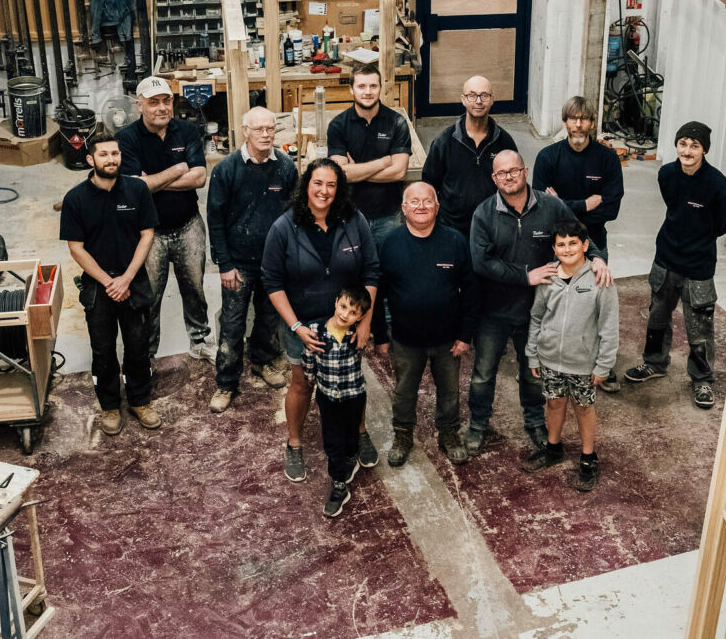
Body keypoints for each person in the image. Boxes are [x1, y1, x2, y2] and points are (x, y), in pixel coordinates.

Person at [468, 150, 611, 456]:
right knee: (482, 374)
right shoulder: (483, 213)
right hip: (493, 311)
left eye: (514, 170)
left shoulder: (551, 207)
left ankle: (535, 424)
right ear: (494, 178)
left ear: (525, 170)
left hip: (538, 311)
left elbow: (580, 234)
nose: (509, 176)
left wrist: (597, 258)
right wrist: (524, 276)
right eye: (502, 173)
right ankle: (478, 426)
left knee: (532, 373)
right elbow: (481, 262)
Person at [262, 158, 381, 482]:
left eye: (331, 184)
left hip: (347, 324)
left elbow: (371, 270)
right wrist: (297, 327)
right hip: (303, 325)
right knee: (302, 383)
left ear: (339, 189)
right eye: (318, 183)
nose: (324, 191)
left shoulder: (354, 221)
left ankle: (359, 433)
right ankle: (295, 443)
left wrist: (365, 321)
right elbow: (272, 282)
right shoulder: (284, 227)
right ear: (306, 186)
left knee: (351, 383)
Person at [623, 121, 726, 410]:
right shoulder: (667, 174)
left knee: (699, 327)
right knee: (657, 318)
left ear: (704, 151)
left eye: (694, 146)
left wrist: (697, 236)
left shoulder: (720, 186)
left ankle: (702, 379)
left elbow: (725, 223)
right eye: (683, 144)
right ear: (676, 146)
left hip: (698, 267)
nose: (687, 151)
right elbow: (673, 205)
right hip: (666, 259)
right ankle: (655, 363)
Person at [60, 135, 161, 435]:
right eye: (104, 154)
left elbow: (147, 235)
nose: (111, 159)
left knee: (138, 345)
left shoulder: (137, 189)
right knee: (103, 350)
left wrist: (127, 278)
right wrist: (110, 282)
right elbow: (76, 248)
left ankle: (141, 401)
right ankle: (110, 407)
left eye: (115, 153)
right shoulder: (75, 199)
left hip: (133, 281)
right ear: (91, 160)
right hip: (98, 285)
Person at [375, 182, 476, 468]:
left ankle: (448, 434)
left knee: (450, 391)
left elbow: (470, 292)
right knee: (404, 391)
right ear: (404, 208)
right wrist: (381, 336)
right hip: (405, 340)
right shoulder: (389, 244)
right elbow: (377, 293)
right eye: (414, 201)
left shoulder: (455, 241)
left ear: (437, 206)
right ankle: (403, 435)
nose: (421, 206)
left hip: (448, 340)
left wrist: (465, 335)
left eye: (427, 201)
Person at [206, 107, 298, 413]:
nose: (266, 134)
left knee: (269, 318)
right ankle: (226, 382)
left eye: (271, 129)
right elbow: (215, 220)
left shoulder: (286, 168)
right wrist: (224, 265)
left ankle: (261, 362)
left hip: (273, 263)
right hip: (239, 264)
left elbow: (295, 215)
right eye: (259, 129)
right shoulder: (227, 170)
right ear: (245, 131)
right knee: (232, 325)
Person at [532, 95, 624, 392]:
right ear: (565, 121)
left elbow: (611, 209)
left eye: (584, 118)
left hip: (595, 244)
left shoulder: (607, 159)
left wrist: (562, 203)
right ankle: (548, 357)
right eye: (573, 118)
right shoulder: (548, 157)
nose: (579, 124)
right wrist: (584, 204)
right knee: (553, 306)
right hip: (556, 247)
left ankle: (601, 365)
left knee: (597, 309)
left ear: (592, 123)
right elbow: (541, 206)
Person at [118, 75, 212, 362]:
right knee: (150, 295)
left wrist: (153, 180)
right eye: (154, 102)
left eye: (166, 101)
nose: (162, 108)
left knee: (195, 288)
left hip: (188, 224)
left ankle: (200, 341)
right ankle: (146, 354)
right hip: (150, 232)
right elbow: (137, 187)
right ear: (140, 106)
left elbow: (199, 178)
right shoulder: (127, 138)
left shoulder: (187, 130)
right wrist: (177, 169)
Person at [523, 220, 618, 492]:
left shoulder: (601, 280)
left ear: (585, 245)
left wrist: (604, 365)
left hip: (583, 363)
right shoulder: (549, 278)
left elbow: (609, 327)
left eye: (573, 243)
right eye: (561, 244)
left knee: (584, 408)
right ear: (554, 248)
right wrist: (533, 353)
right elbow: (537, 317)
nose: (567, 249)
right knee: (554, 403)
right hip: (550, 359)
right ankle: (554, 448)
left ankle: (588, 458)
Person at [302, 286, 374, 518]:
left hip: (354, 395)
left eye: (353, 313)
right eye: (343, 307)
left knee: (352, 435)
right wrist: (312, 379)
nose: (345, 315)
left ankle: (351, 458)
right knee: (332, 440)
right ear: (336, 303)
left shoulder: (357, 334)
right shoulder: (315, 330)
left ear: (361, 318)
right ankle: (339, 485)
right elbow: (309, 360)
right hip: (328, 397)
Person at [421, 76, 518, 238]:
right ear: (463, 100)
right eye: (472, 95)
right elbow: (429, 183)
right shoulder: (444, 141)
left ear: (492, 100)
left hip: (492, 227)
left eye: (484, 95)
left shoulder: (504, 142)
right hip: (451, 229)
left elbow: (515, 183)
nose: (478, 101)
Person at [328, 62, 412, 245]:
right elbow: (340, 174)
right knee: (353, 270)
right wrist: (382, 163)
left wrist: (355, 171)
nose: (368, 92)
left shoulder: (397, 123)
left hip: (388, 215)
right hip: (350, 216)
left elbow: (398, 172)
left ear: (380, 88)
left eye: (373, 86)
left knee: (388, 268)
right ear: (351, 89)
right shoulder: (338, 126)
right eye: (361, 86)